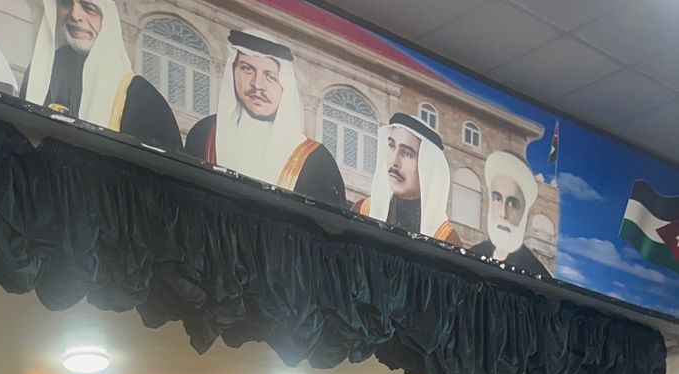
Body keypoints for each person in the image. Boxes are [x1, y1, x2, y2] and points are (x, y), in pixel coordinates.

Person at [22, 0, 181, 149]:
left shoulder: (141, 98)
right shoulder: (40, 74)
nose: (75, 15)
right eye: (65, 3)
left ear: (106, 18)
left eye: (88, 8)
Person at [185, 29, 346, 205]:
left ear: (285, 85)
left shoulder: (317, 162)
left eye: (270, 76)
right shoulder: (205, 133)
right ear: (233, 72)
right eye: (247, 69)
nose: (257, 84)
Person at [355, 113, 458, 242]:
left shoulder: (445, 237)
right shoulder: (363, 210)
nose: (394, 161)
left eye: (406, 153)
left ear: (427, 166)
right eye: (392, 146)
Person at [470, 151, 551, 278]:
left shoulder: (536, 274)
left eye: (512, 204)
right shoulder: (473, 254)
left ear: (525, 215)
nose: (503, 214)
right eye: (497, 199)